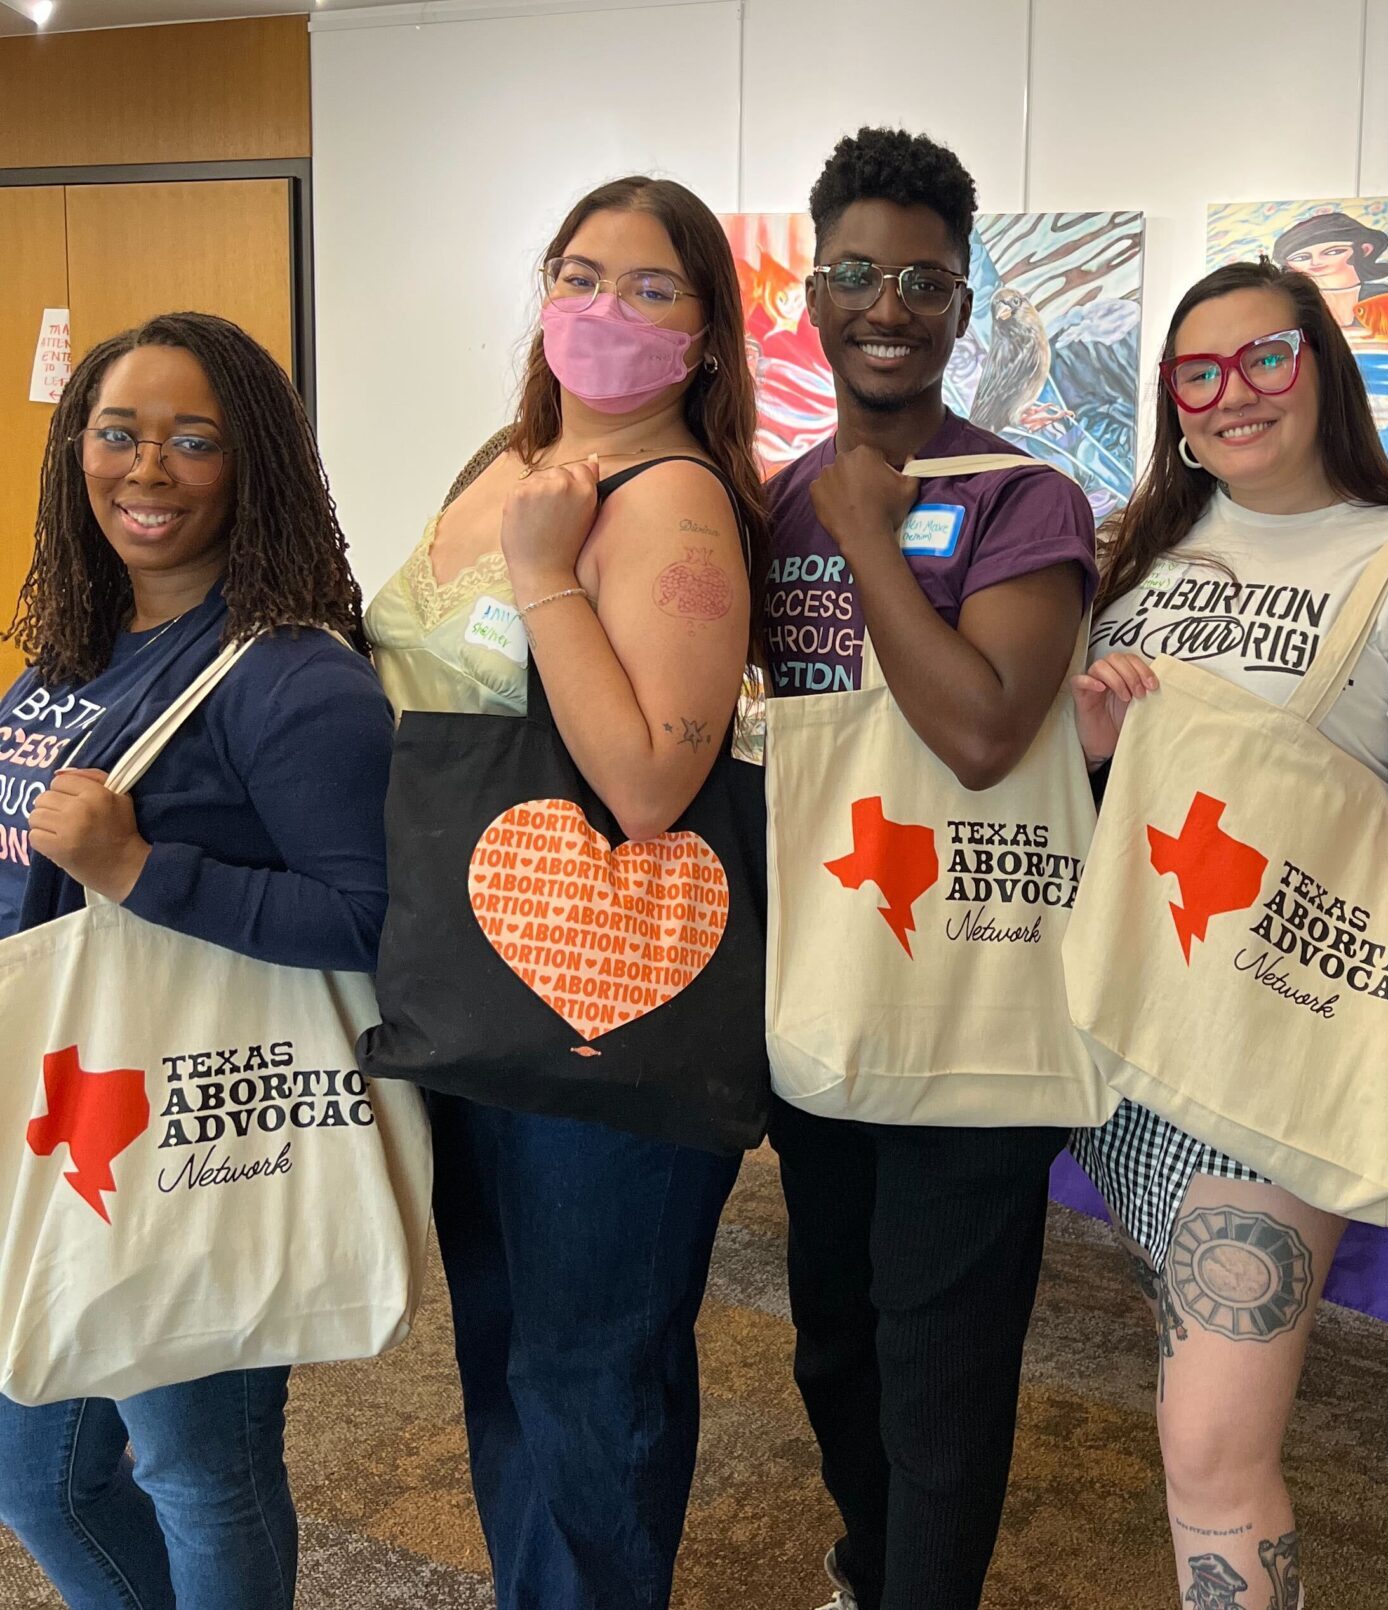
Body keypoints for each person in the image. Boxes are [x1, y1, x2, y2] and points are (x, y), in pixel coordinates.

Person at [1069, 259, 1388, 1607]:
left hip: (1277, 1026)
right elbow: (1095, 789)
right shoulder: (1140, 551)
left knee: (1213, 1446)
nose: (1235, 393)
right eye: (1197, 373)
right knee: (1182, 1404)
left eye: (1265, 357)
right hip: (1129, 1016)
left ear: (1323, 360)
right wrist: (1096, 745)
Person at [363, 175, 764, 1610]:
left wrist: (545, 577)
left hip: (606, 1006)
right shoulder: (503, 457)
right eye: (581, 275)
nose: (606, 311)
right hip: (474, 979)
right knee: (508, 1351)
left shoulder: (675, 502)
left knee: (590, 1373)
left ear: (708, 337)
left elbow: (654, 779)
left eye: (652, 288)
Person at [0, 311, 389, 1610]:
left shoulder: (290, 678)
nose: (146, 468)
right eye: (117, 432)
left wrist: (142, 872)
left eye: (191, 440)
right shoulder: (77, 643)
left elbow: (373, 922)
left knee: (195, 1469)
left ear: (251, 466)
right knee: (37, 1476)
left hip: (191, 1126)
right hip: (54, 1113)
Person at [762, 127, 1096, 1610]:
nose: (885, 305)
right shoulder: (771, 499)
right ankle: (871, 1562)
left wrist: (869, 534)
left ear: (966, 306)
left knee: (942, 1354)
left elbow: (978, 729)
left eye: (924, 280)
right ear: (811, 291)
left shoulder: (1027, 499)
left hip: (970, 992)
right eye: (855, 273)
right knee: (831, 1331)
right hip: (825, 981)